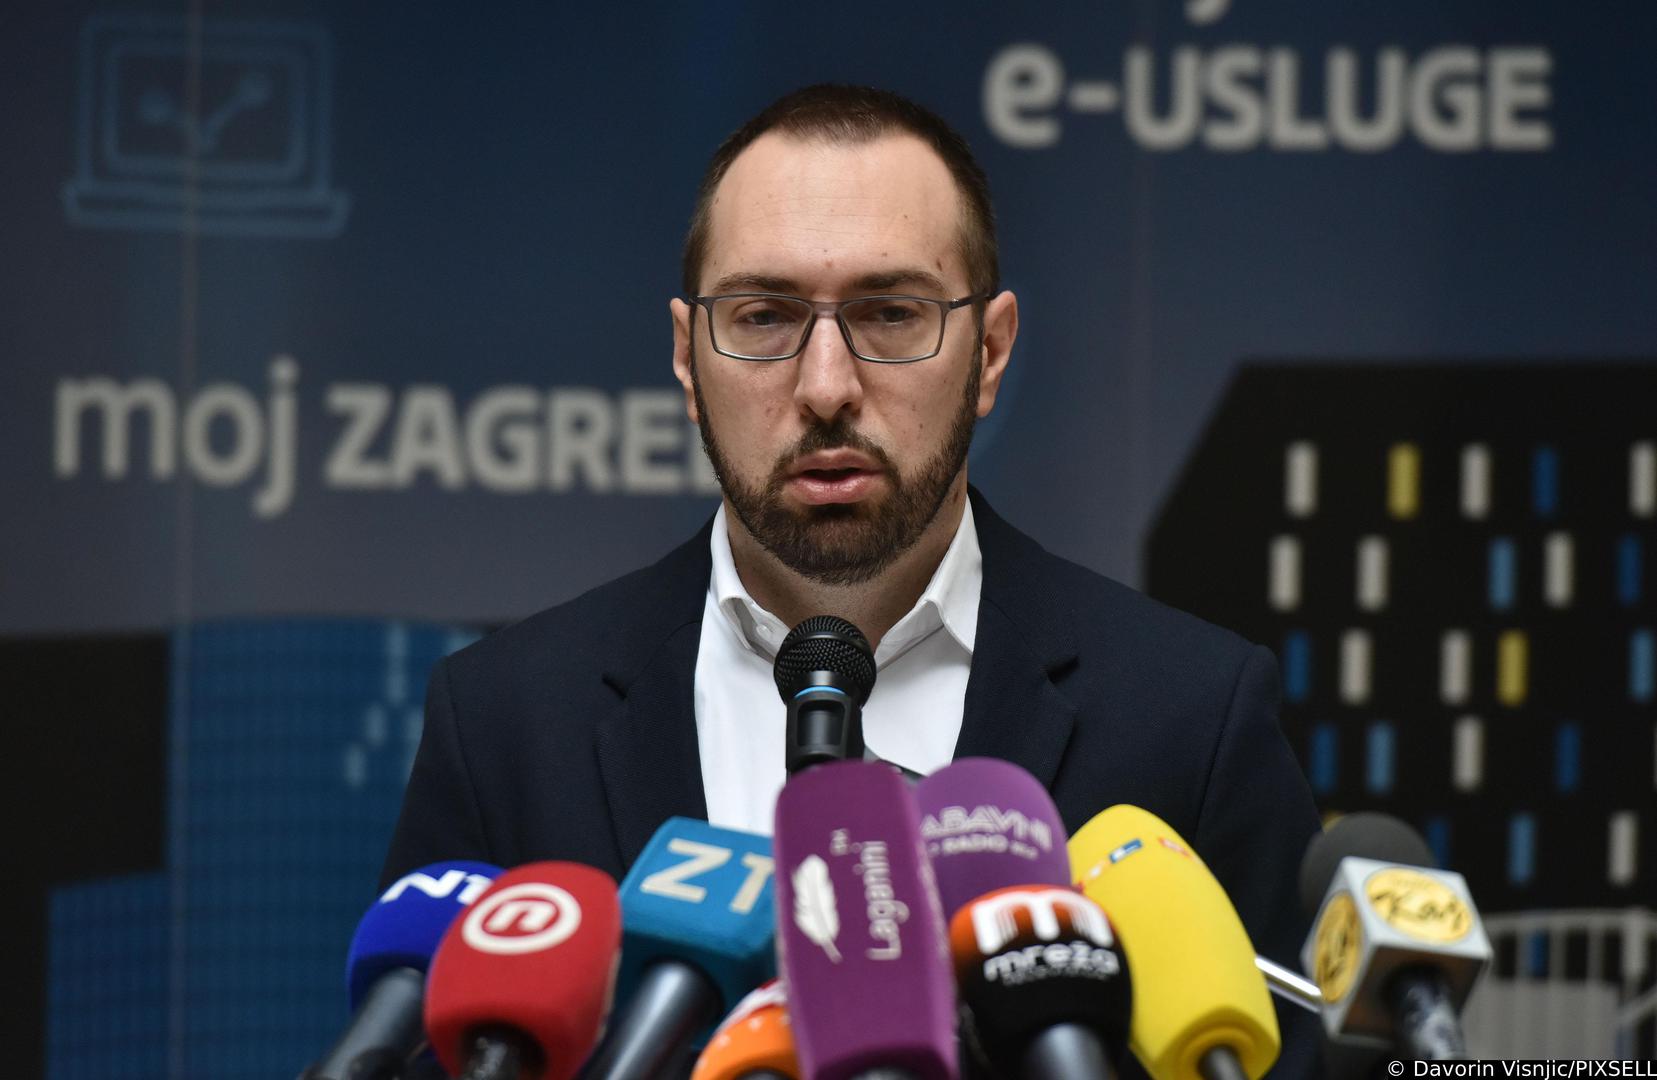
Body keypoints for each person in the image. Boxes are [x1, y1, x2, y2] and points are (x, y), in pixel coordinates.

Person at [382, 84, 1322, 1075]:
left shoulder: (1189, 718)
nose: (826, 386)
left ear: (989, 352)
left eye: (890, 314)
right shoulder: (506, 722)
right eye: (762, 316)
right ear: (687, 358)